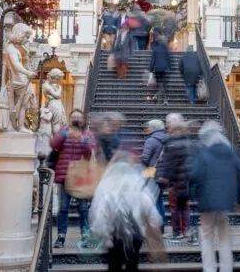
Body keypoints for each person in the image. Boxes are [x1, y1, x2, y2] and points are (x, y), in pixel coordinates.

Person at [191, 121, 240, 272]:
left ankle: (209, 269)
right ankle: (226, 268)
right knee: (224, 236)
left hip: (207, 201)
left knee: (207, 235)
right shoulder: (230, 152)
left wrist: (193, 194)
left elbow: (194, 175)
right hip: (225, 201)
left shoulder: (202, 152)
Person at [90, 161, 164, 271]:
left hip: (115, 237)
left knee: (114, 265)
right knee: (132, 264)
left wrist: (100, 234)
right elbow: (154, 217)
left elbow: (100, 218)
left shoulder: (109, 196)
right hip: (135, 236)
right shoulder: (140, 194)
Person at [51, 109, 97, 248]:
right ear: (70, 119)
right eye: (74, 117)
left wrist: (81, 139)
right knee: (63, 207)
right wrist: (65, 134)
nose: (76, 120)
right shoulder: (63, 131)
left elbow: (91, 150)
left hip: (81, 177)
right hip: (65, 175)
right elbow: (53, 145)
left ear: (83, 120)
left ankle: (85, 235)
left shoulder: (88, 134)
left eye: (79, 117)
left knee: (83, 208)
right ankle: (61, 235)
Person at [160, 113, 191, 241]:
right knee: (184, 206)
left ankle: (177, 232)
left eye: (168, 124)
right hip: (186, 180)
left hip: (176, 180)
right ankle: (186, 230)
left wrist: (166, 178)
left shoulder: (171, 143)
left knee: (175, 207)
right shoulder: (188, 142)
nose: (167, 126)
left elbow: (169, 164)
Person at [141, 119, 168, 224]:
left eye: (148, 127)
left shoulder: (151, 140)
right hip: (163, 172)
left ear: (153, 128)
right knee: (159, 199)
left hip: (151, 172)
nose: (147, 129)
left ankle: (155, 225)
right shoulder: (167, 138)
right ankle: (162, 224)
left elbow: (145, 159)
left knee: (152, 199)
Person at [150, 35, 171, 105]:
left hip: (157, 69)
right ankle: (164, 99)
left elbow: (153, 60)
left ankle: (158, 97)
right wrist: (169, 67)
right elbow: (168, 59)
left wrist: (151, 69)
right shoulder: (166, 49)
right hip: (165, 69)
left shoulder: (155, 49)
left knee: (159, 84)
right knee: (163, 84)